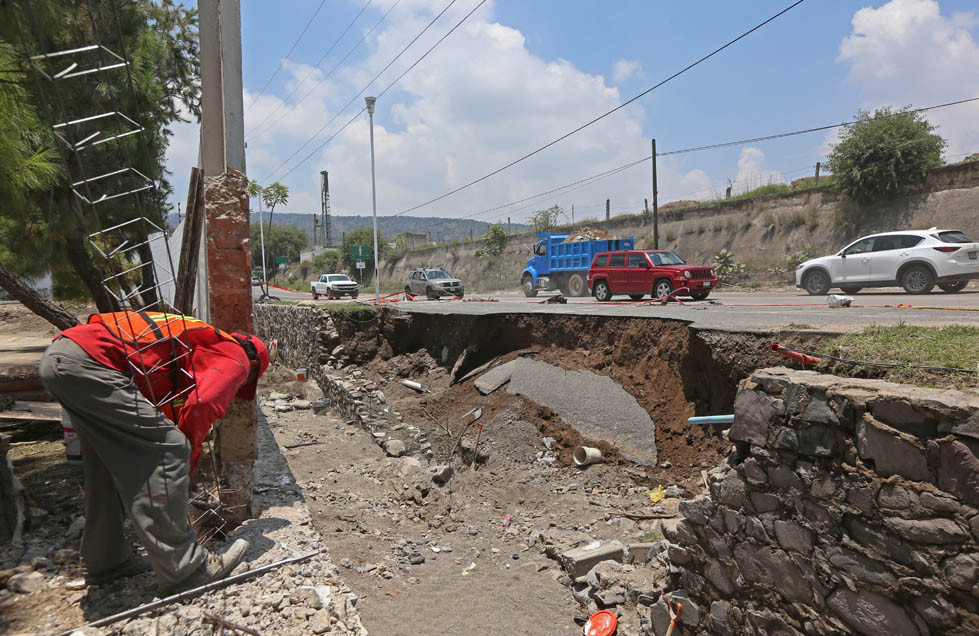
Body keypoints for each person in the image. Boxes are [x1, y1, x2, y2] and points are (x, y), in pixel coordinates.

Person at [39, 311, 270, 594]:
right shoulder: (237, 357)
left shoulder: (196, 341)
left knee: (105, 468)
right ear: (254, 363)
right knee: (170, 447)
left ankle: (107, 562)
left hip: (65, 357)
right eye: (245, 383)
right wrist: (187, 456)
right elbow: (203, 404)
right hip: (91, 364)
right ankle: (186, 570)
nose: (239, 386)